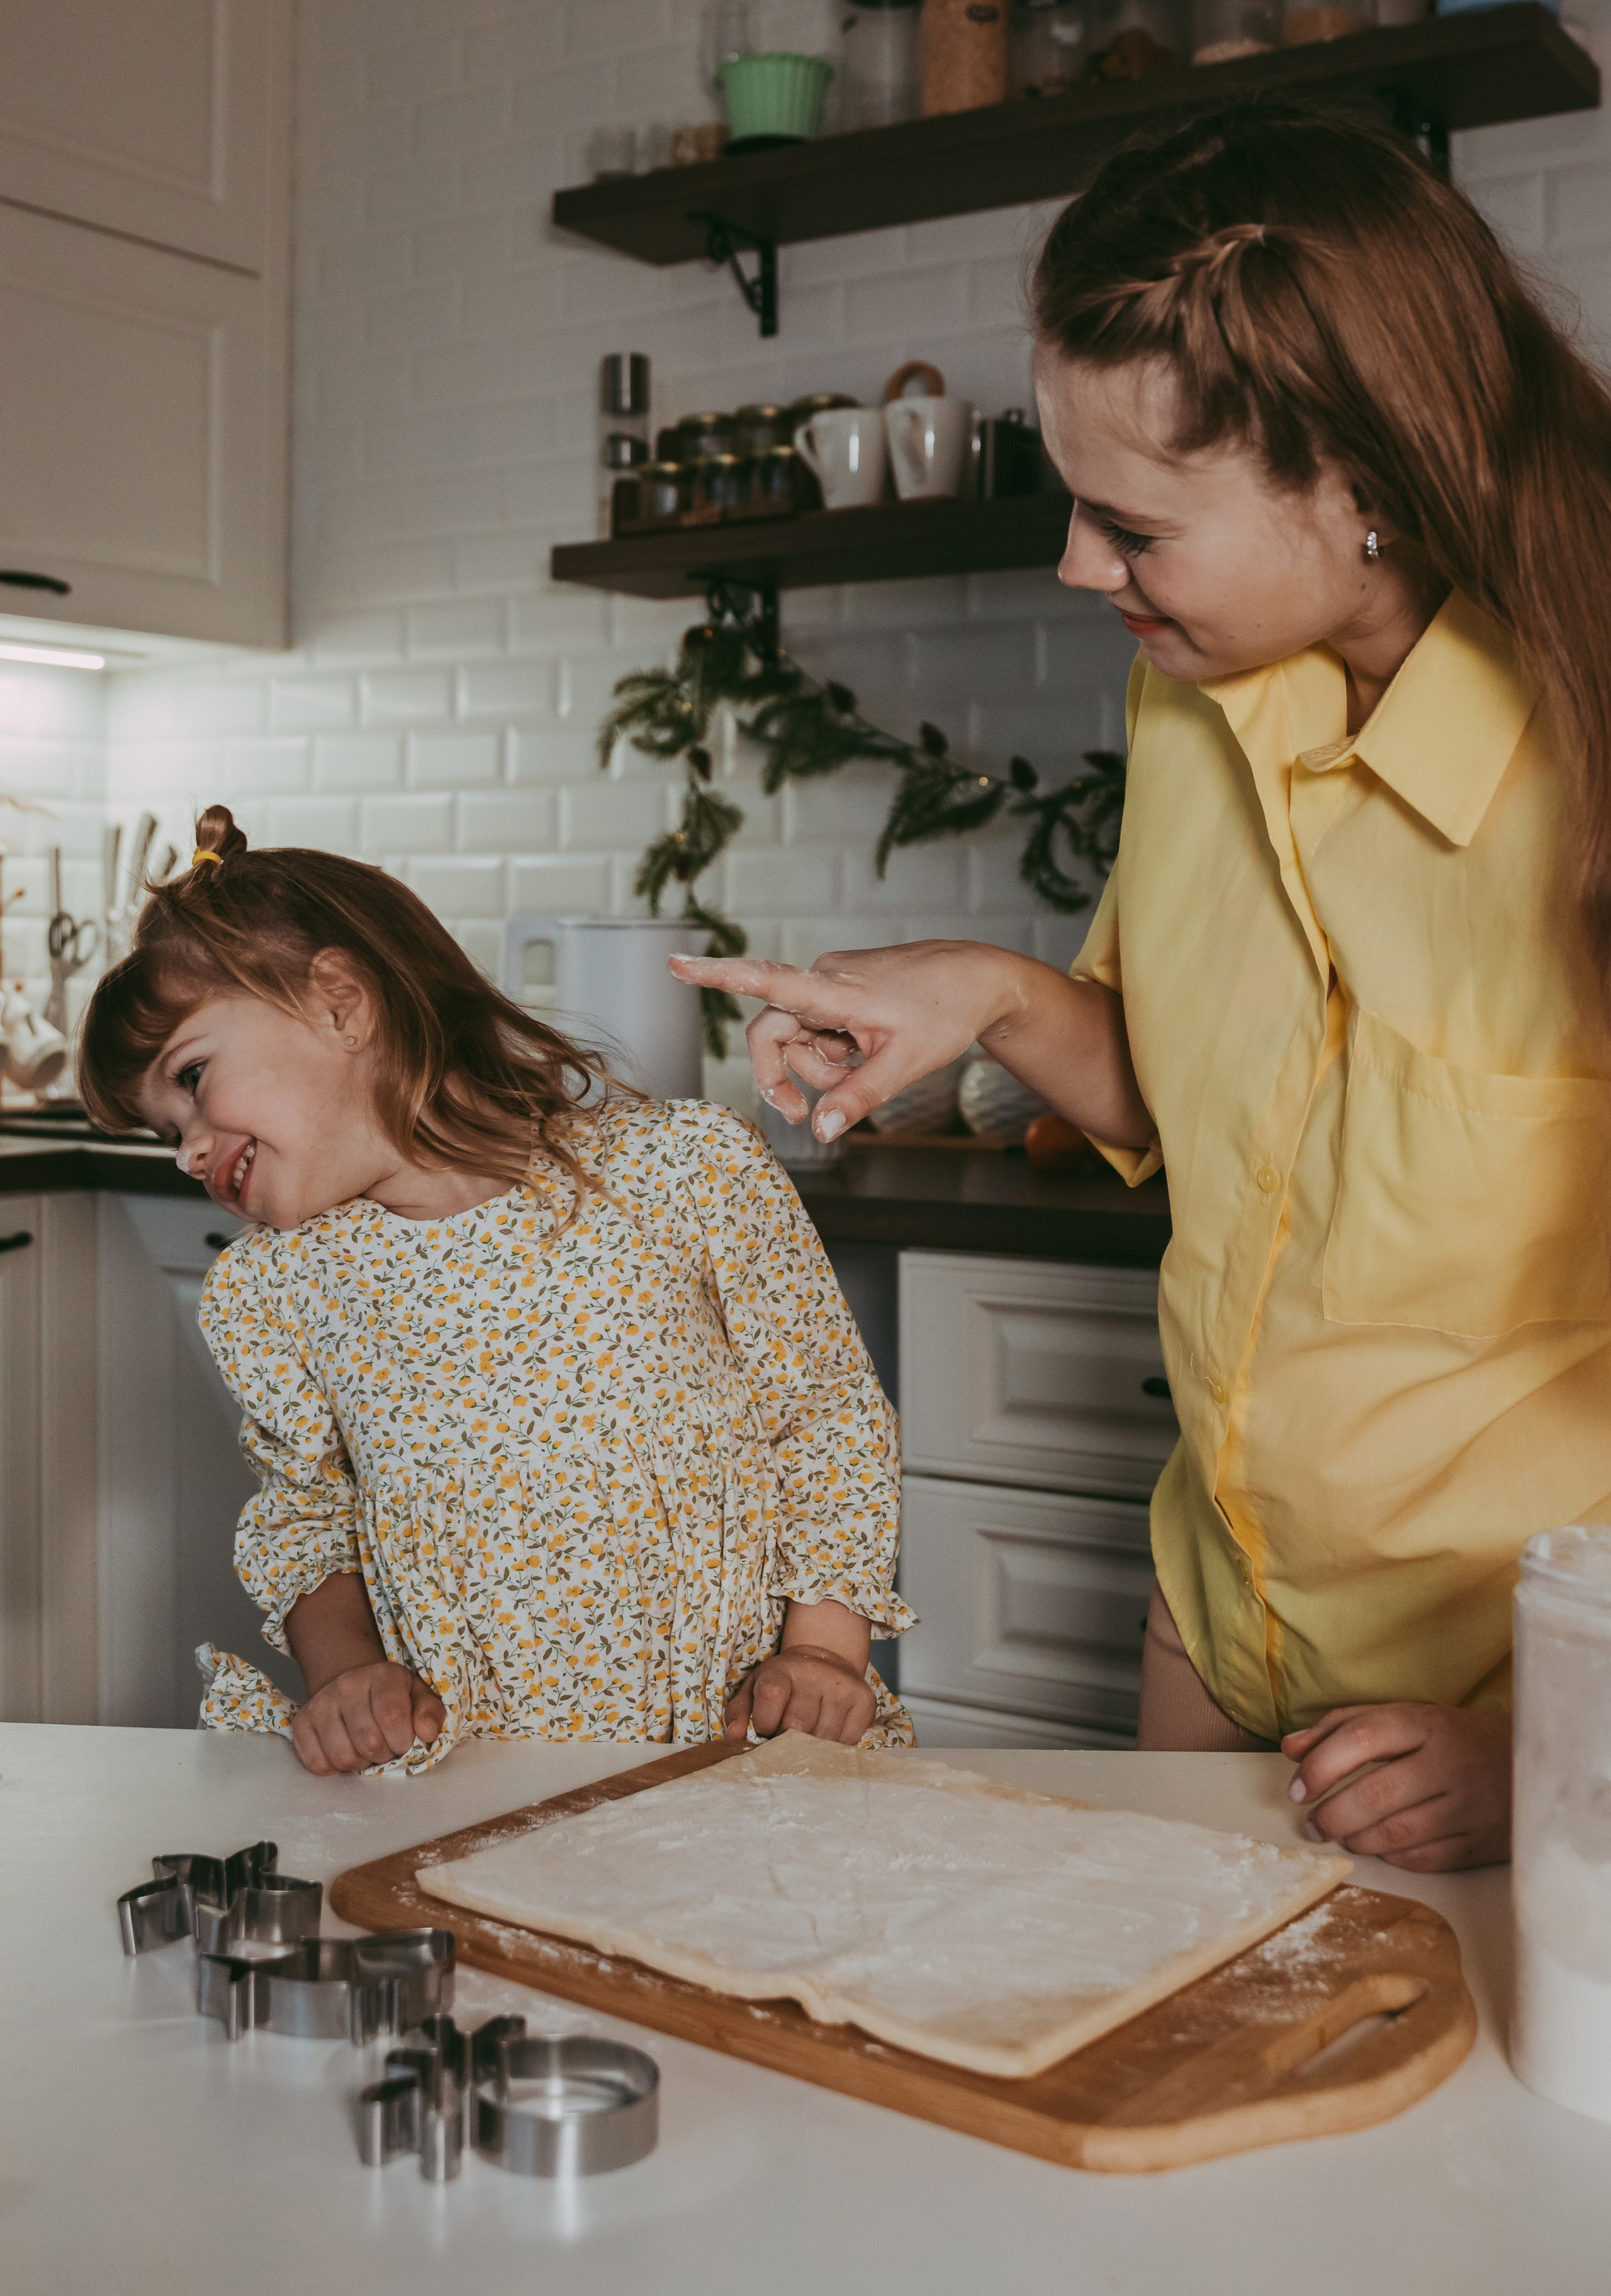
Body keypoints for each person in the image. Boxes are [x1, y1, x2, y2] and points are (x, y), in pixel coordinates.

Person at [675, 102, 1611, 1874]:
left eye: (1135, 527)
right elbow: (1197, 1098)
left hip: (1520, 1697)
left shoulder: (1593, 763)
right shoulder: (1189, 695)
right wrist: (994, 997)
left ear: (1368, 497)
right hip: (1221, 1614)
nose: (1077, 569)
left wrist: (1555, 1737)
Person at [77, 807, 912, 1775]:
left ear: (343, 1003)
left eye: (192, 1078)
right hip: (465, 1775)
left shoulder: (685, 1171)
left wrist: (819, 1653)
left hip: (737, 1749)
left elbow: (827, 1422)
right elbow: (307, 1523)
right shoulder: (270, 1291)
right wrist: (349, 1678)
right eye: (162, 1130)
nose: (186, 1148)